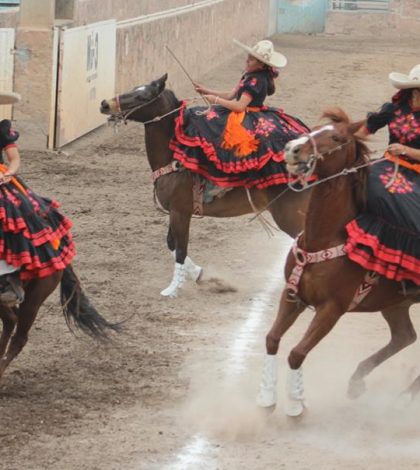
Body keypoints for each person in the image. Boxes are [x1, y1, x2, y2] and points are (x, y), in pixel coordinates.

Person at [169, 39, 309, 189]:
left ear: (261, 64)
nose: (247, 60)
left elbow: (239, 106)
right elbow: (230, 95)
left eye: (251, 59)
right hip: (240, 111)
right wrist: (206, 91)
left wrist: (214, 100)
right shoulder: (250, 75)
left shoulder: (256, 80)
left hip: (246, 116)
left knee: (213, 131)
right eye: (248, 57)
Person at [346, 64, 420, 288]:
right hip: (390, 163)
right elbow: (365, 130)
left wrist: (406, 150)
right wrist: (348, 145)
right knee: (359, 181)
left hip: (416, 171)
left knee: (400, 202)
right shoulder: (393, 108)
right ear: (414, 91)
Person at [0, 91, 75, 305]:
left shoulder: (2, 129)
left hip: (0, 178)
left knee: (13, 217)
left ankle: (8, 278)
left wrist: (7, 173)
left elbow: (14, 159)